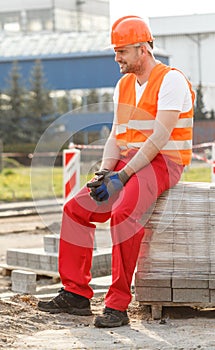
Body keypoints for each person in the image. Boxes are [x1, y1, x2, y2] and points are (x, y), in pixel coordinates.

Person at [38, 15, 195, 328]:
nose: (116, 58)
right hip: (130, 160)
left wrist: (122, 178)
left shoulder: (171, 80)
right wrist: (104, 171)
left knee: (124, 211)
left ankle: (117, 305)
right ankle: (76, 294)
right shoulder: (123, 85)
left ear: (142, 50)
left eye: (121, 51)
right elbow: (116, 136)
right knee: (75, 208)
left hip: (165, 161)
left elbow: (159, 138)